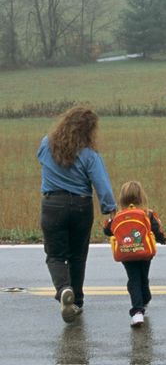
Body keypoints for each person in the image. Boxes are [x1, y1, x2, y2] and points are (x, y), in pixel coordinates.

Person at [38, 106, 117, 323]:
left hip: (52, 204)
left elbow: (41, 159)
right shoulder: (89, 155)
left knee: (55, 255)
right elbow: (103, 185)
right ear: (88, 131)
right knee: (77, 256)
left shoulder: (46, 143)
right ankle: (77, 301)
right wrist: (110, 209)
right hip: (81, 207)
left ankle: (64, 289)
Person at [103, 180, 166, 327]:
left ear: (122, 198)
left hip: (126, 253)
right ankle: (145, 299)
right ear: (142, 197)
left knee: (133, 279)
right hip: (145, 252)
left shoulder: (118, 215)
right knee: (143, 276)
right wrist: (162, 239)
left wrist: (111, 218)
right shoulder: (148, 213)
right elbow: (157, 229)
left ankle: (137, 311)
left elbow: (107, 230)